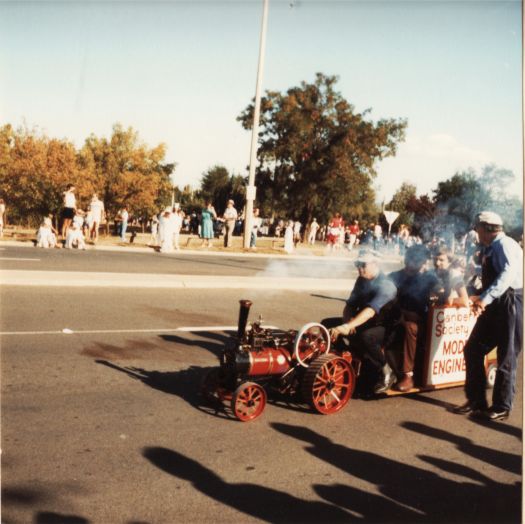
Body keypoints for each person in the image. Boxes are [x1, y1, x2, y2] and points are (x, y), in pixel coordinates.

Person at [453, 212, 523, 421]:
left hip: (510, 302)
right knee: (473, 348)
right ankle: (476, 401)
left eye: (478, 228)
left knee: (506, 356)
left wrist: (485, 299)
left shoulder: (505, 245)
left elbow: (508, 274)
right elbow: (490, 271)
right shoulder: (490, 248)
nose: (477, 232)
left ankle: (501, 406)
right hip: (496, 302)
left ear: (486, 228)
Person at [329, 250, 398, 395]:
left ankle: (387, 371)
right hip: (365, 322)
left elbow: (371, 311)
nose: (359, 269)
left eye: (363, 265)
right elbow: (350, 305)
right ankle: (343, 361)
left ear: (374, 264)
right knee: (327, 324)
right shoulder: (361, 280)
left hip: (386, 327)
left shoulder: (387, 285)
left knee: (366, 336)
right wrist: (348, 322)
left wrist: (349, 326)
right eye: (357, 265)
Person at [387, 244, 439, 392]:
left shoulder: (430, 279)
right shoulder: (394, 276)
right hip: (395, 316)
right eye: (410, 258)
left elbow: (443, 293)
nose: (412, 263)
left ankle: (408, 375)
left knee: (409, 327)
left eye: (418, 260)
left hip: (420, 321)